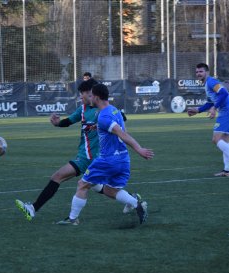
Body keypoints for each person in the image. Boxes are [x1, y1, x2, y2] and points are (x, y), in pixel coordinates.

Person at [15, 79, 139, 222]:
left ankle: (35, 209)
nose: (81, 97)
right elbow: (68, 121)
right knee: (101, 188)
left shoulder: (103, 111)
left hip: (92, 157)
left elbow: (120, 120)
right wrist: (57, 123)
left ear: (92, 94)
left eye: (83, 94)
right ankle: (132, 200)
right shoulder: (83, 110)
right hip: (86, 154)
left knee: (58, 176)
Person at [57, 83, 154, 225]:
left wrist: (139, 149)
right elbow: (122, 130)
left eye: (91, 96)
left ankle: (72, 219)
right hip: (123, 160)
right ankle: (135, 203)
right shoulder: (115, 111)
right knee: (109, 190)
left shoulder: (103, 116)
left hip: (108, 160)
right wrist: (98, 127)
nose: (89, 98)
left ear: (96, 97)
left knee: (82, 184)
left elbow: (121, 133)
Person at [187, 63, 229, 177]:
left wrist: (214, 108)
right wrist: (197, 110)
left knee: (216, 139)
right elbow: (210, 102)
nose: (198, 74)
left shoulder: (211, 82)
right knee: (225, 140)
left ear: (207, 72)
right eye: (197, 72)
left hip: (228, 111)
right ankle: (227, 170)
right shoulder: (207, 84)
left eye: (201, 71)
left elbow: (223, 93)